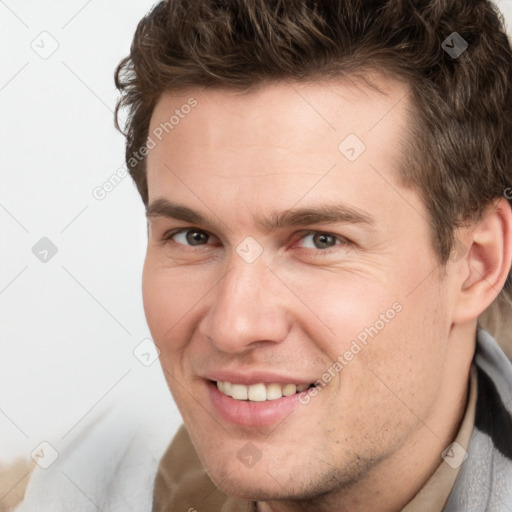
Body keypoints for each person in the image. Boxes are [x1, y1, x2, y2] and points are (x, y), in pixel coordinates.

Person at [10, 1, 512, 511]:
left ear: (476, 262)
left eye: (320, 240)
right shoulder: (76, 490)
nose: (234, 325)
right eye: (193, 236)